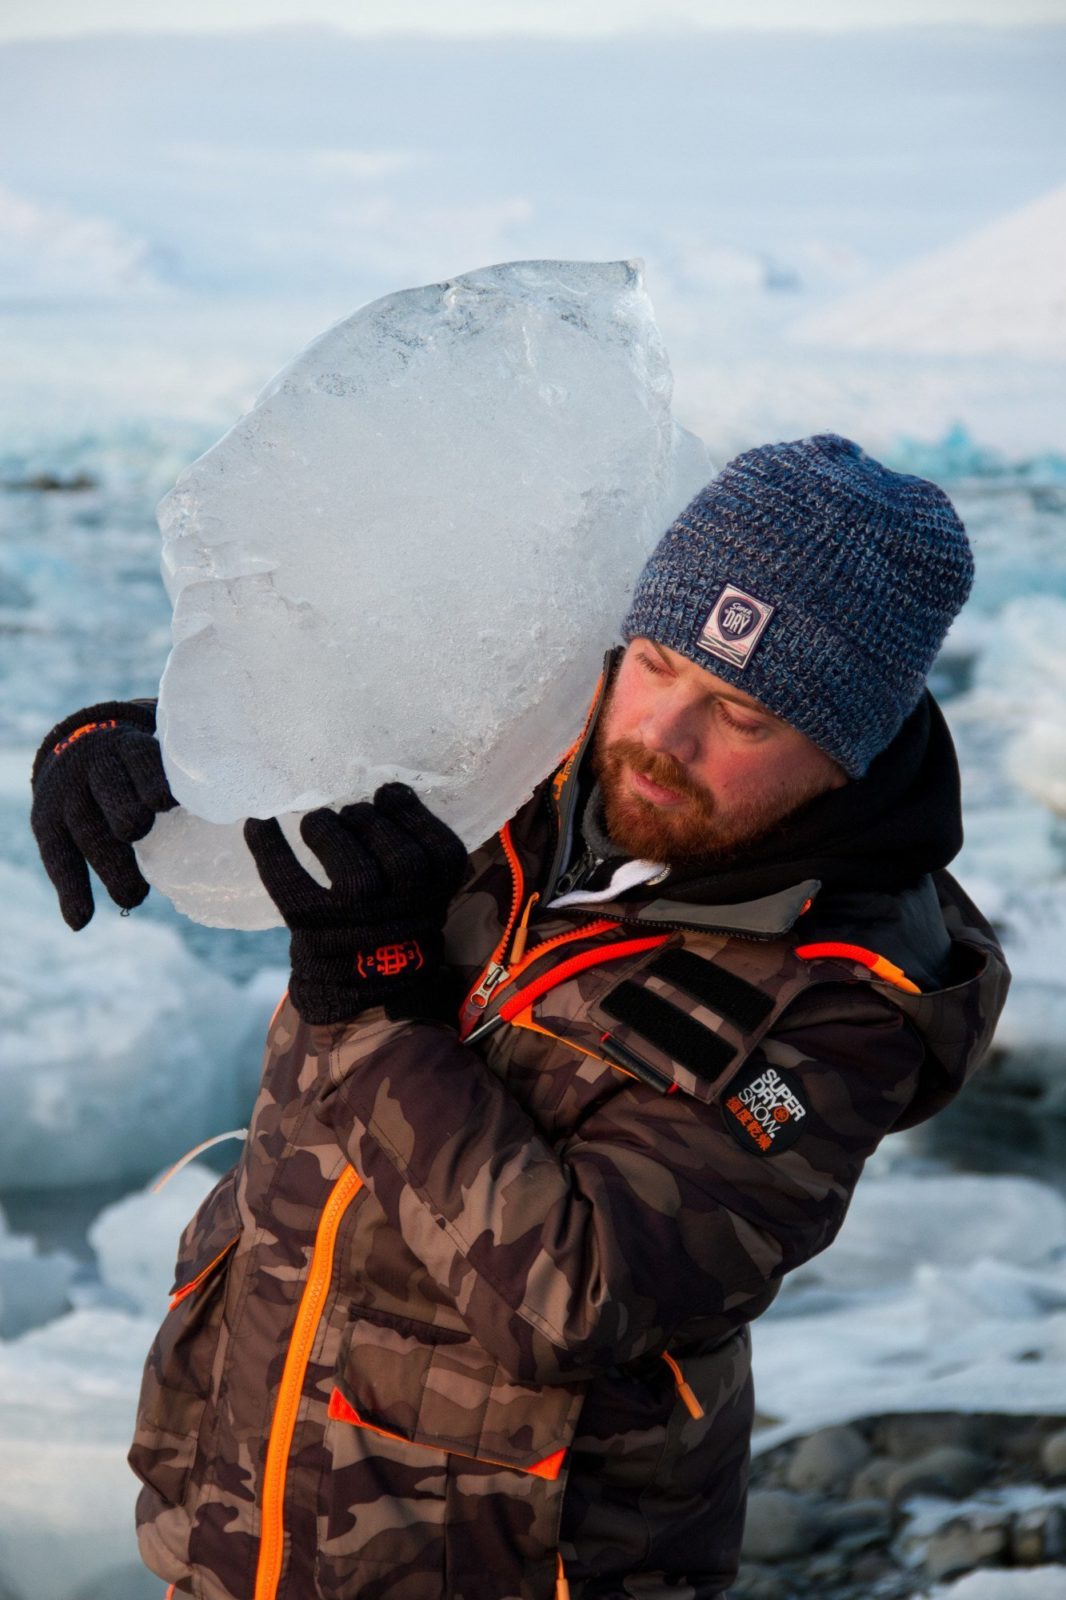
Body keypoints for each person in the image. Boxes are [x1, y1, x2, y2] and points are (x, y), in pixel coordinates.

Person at [31, 433, 1009, 1600]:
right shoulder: (517, 751)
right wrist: (138, 748)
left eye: (741, 715)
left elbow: (578, 1294)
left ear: (845, 751)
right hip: (246, 1511)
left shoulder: (849, 1001)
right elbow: (300, 755)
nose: (661, 737)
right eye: (653, 661)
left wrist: (378, 1011)